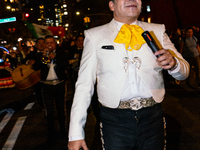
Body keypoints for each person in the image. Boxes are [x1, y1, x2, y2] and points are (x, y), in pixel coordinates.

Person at [68, 0, 190, 150]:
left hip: (153, 117)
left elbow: (184, 72)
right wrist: (76, 134)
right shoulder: (94, 36)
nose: (132, 0)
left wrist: (174, 64)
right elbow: (84, 85)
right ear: (111, 5)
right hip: (114, 121)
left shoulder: (157, 31)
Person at [33, 35, 67, 142]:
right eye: (47, 43)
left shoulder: (61, 53)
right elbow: (35, 67)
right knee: (49, 111)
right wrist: (43, 56)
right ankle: (51, 133)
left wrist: (55, 57)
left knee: (61, 109)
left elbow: (65, 65)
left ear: (55, 43)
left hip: (59, 84)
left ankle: (63, 131)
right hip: (46, 86)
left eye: (51, 43)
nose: (49, 45)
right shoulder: (41, 54)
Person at [23, 38, 45, 108]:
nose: (41, 44)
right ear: (36, 45)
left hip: (48, 78)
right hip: (36, 79)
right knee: (39, 94)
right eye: (39, 43)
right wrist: (28, 62)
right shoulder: (32, 54)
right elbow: (24, 61)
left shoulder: (49, 52)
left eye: (43, 42)